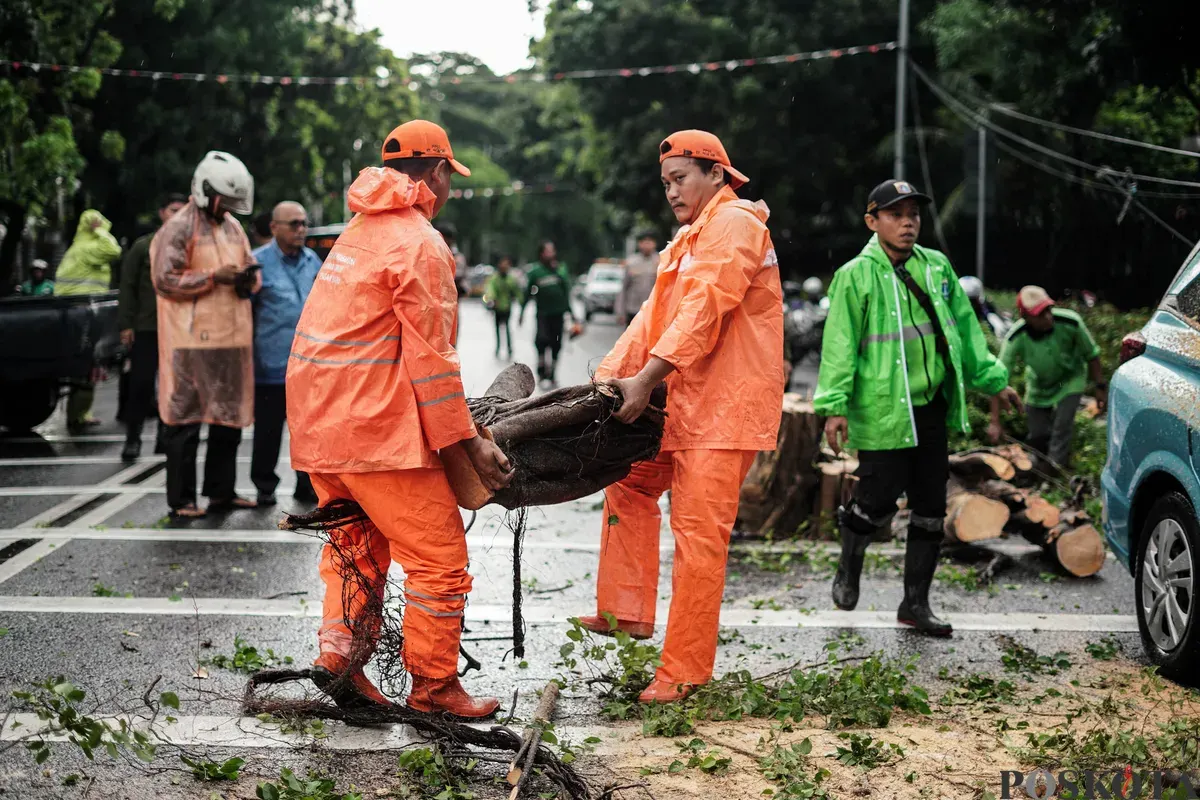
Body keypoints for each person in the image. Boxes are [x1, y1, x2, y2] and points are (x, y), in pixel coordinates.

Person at [287, 120, 512, 716]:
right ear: (437, 172)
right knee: (440, 562)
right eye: (449, 177)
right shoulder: (421, 243)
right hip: (377, 432)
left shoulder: (358, 233)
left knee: (352, 548)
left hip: (320, 425)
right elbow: (432, 364)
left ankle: (340, 662)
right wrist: (468, 445)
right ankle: (434, 690)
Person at [579, 129, 783, 704]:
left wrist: (643, 381)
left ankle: (684, 672)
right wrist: (602, 383)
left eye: (680, 178)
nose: (671, 191)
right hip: (682, 404)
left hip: (724, 411)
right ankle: (626, 611)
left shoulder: (737, 224)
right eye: (666, 182)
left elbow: (705, 308)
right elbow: (650, 319)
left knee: (698, 542)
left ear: (716, 174)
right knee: (629, 484)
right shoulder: (686, 239)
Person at [815, 179, 1022, 637]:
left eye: (914, 214)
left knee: (930, 509)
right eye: (896, 214)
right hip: (883, 411)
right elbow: (840, 345)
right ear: (873, 222)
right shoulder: (856, 275)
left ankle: (915, 605)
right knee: (874, 505)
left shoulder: (937, 268)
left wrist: (995, 381)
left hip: (931, 408)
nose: (908, 222)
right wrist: (834, 406)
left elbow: (966, 334)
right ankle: (849, 570)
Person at [151, 151, 260, 518]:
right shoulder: (179, 228)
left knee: (227, 419)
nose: (228, 207)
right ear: (205, 191)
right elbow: (165, 280)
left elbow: (250, 271)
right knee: (184, 421)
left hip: (231, 338)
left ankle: (221, 492)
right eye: (224, 200)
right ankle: (182, 500)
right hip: (189, 340)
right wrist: (214, 277)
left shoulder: (232, 226)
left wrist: (246, 278)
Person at [250, 201, 322, 506]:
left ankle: (307, 483)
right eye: (293, 224)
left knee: (308, 430)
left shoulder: (312, 261)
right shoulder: (256, 263)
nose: (301, 230)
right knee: (267, 430)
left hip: (308, 366)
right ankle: (264, 485)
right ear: (274, 227)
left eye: (303, 224)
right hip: (270, 362)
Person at [991, 285, 1105, 467]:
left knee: (1061, 427)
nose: (1048, 317)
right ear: (1025, 317)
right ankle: (1037, 467)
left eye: (1048, 310)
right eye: (1040, 314)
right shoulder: (1016, 337)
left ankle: (1055, 470)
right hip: (1039, 385)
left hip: (1070, 380)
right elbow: (998, 377)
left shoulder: (1071, 322)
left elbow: (1092, 355)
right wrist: (994, 421)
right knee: (1037, 434)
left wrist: (1100, 387)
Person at [117, 194, 188, 461]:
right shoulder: (143, 246)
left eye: (183, 211)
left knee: (174, 388)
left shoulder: (189, 247)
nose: (178, 215)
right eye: (173, 210)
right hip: (147, 327)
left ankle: (164, 438)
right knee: (141, 385)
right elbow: (128, 288)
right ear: (161, 213)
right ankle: (132, 439)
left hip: (179, 329)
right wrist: (126, 324)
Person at [56, 209, 124, 432]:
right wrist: (100, 231)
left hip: (79, 310)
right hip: (82, 311)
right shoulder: (88, 249)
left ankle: (81, 414)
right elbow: (113, 250)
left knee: (88, 365)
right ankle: (77, 416)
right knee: (87, 364)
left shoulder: (79, 248)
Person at [520, 241, 577, 387]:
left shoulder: (561, 269)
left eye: (552, 251)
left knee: (556, 343)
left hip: (558, 314)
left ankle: (553, 372)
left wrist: (572, 313)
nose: (550, 254)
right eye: (547, 251)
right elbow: (528, 293)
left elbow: (566, 293)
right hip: (543, 314)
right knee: (541, 340)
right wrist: (522, 312)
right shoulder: (535, 272)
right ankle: (541, 368)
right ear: (541, 254)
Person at [616, 230, 658, 325]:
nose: (647, 245)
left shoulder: (661, 261)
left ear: (654, 244)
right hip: (633, 309)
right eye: (644, 242)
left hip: (653, 310)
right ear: (639, 244)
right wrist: (620, 312)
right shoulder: (631, 262)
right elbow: (624, 288)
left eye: (650, 242)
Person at [483, 255, 520, 359]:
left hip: (507, 307)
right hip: (497, 307)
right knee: (498, 329)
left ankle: (509, 348)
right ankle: (498, 348)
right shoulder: (495, 278)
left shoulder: (511, 279)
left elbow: (516, 291)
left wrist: (520, 300)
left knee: (507, 328)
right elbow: (490, 289)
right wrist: (492, 299)